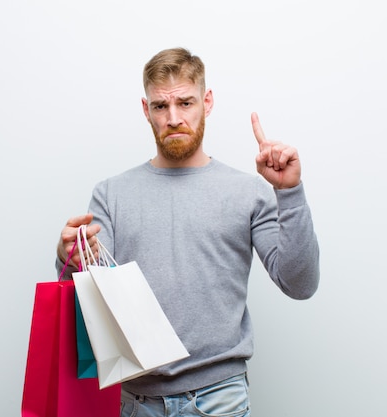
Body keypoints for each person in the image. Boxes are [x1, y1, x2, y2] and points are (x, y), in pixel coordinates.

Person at [55, 47, 320, 417]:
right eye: (161, 107)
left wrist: (289, 192)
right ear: (146, 110)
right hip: (136, 401)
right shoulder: (111, 194)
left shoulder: (247, 190)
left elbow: (300, 284)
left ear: (207, 102)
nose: (174, 117)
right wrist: (69, 259)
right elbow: (91, 307)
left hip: (220, 398)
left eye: (185, 102)